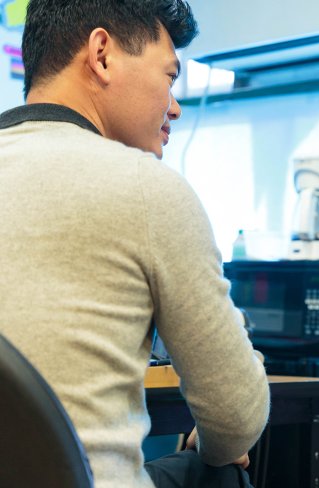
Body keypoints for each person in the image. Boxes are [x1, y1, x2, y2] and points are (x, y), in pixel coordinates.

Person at [0, 1, 269, 487]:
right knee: (223, 473)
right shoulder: (148, 189)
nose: (175, 106)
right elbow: (236, 418)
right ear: (102, 54)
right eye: (169, 77)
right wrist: (212, 444)